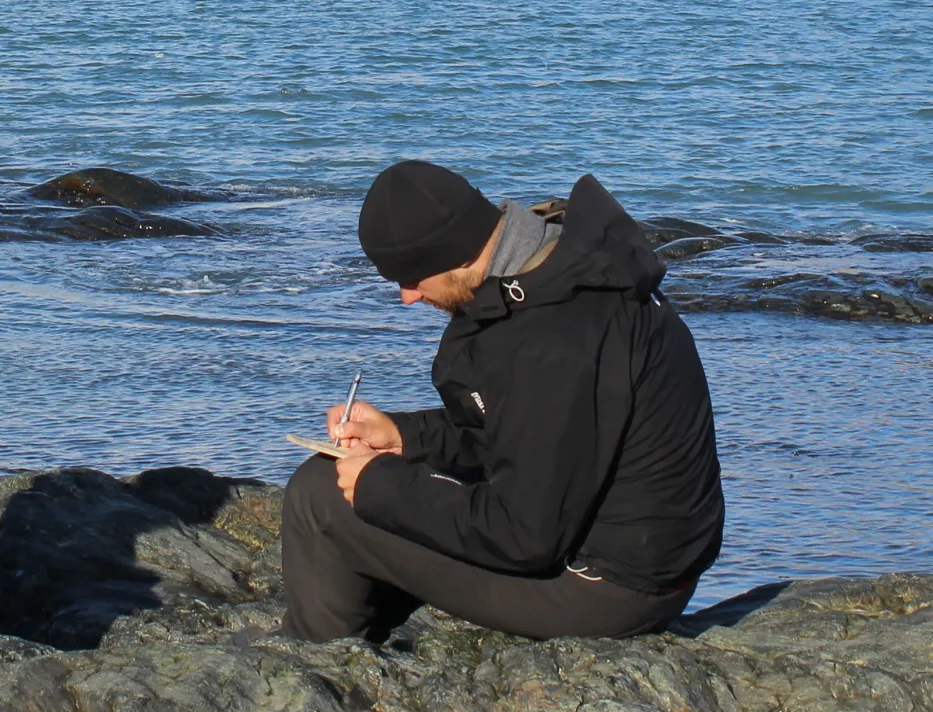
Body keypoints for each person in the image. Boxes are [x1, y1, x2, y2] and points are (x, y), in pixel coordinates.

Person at [282, 158, 725, 643]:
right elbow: (529, 435)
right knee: (364, 481)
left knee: (322, 496)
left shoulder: (552, 338)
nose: (407, 298)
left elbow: (523, 536)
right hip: (636, 558)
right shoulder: (564, 273)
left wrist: (381, 487)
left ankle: (322, 660)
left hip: (606, 589)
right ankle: (359, 631)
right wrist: (404, 437)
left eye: (410, 278)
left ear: (453, 254)